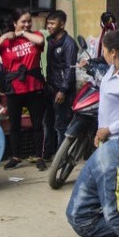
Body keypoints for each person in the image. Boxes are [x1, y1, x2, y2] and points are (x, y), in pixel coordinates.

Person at [0, 9, 47, 170]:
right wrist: (6, 36)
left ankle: (39, 157)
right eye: (23, 22)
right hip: (14, 87)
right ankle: (15, 156)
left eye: (29, 21)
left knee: (37, 124)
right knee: (14, 125)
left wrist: (23, 34)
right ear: (14, 23)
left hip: (34, 86)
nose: (27, 24)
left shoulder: (35, 36)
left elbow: (40, 42)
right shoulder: (6, 41)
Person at [43, 9, 78, 159]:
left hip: (62, 91)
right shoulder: (50, 40)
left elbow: (69, 69)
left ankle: (61, 157)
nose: (49, 26)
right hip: (50, 88)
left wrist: (63, 90)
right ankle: (48, 153)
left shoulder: (69, 44)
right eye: (48, 23)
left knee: (61, 125)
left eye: (52, 23)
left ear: (62, 24)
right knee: (48, 122)